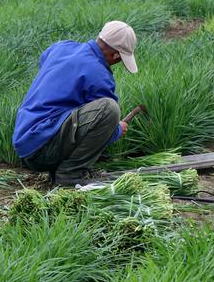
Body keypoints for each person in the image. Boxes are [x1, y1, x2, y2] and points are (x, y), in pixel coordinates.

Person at [12, 20, 138, 186]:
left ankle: (59, 167)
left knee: (68, 113)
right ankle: (70, 175)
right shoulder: (100, 75)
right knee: (109, 109)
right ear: (116, 55)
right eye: (121, 59)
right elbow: (105, 122)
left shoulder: (62, 47)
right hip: (42, 151)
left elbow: (43, 59)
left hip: (24, 142)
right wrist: (117, 130)